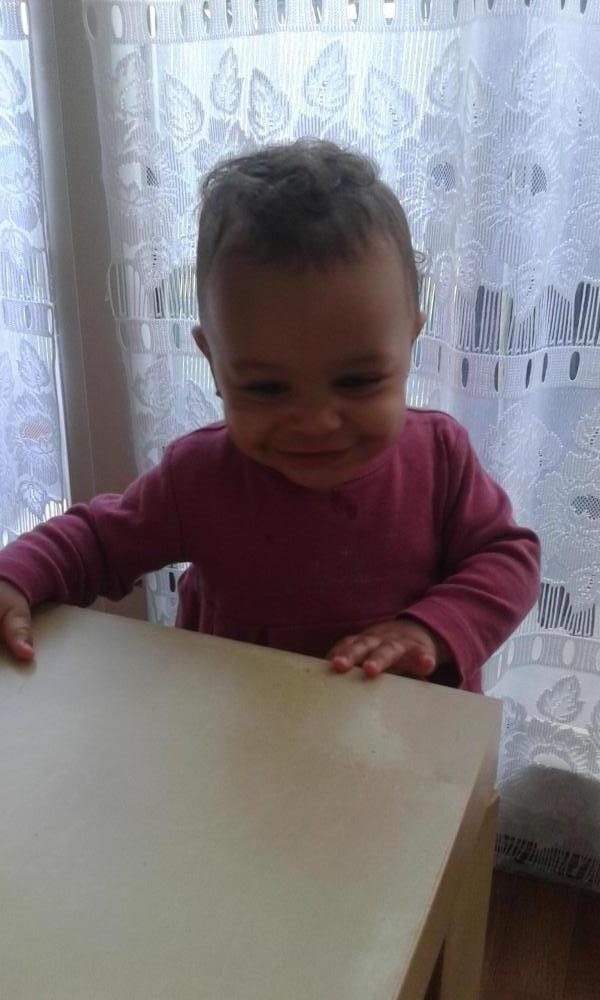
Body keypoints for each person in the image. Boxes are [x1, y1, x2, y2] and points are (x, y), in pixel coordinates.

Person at [0, 140, 540, 691]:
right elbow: (97, 541)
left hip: (404, 736)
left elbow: (508, 558)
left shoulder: (440, 458)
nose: (315, 422)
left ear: (410, 343)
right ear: (214, 364)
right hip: (239, 730)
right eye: (266, 388)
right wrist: (15, 578)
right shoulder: (199, 477)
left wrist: (431, 630)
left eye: (356, 381)